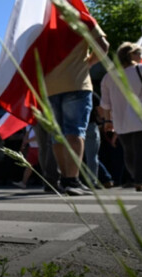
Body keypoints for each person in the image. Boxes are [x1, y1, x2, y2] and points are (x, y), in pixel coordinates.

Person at [45, 24, 109, 196]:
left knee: (57, 136)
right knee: (75, 131)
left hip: (49, 86)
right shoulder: (82, 20)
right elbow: (103, 47)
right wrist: (87, 63)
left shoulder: (42, 23)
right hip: (76, 82)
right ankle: (72, 180)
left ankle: (64, 179)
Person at [100, 41, 142, 192]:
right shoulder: (141, 69)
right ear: (130, 55)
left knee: (129, 152)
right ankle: (140, 181)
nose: (141, 56)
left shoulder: (109, 77)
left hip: (120, 121)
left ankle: (137, 178)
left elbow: (105, 103)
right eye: (138, 54)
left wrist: (108, 120)